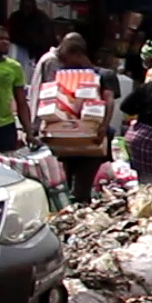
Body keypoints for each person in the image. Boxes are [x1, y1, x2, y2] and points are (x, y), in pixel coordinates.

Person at [42, 37, 119, 204]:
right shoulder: (63, 75)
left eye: (64, 58)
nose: (62, 63)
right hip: (66, 139)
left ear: (77, 54)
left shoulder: (104, 75)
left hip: (93, 138)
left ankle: (81, 219)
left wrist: (103, 128)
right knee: (67, 185)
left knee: (81, 188)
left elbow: (109, 100)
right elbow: (54, 102)